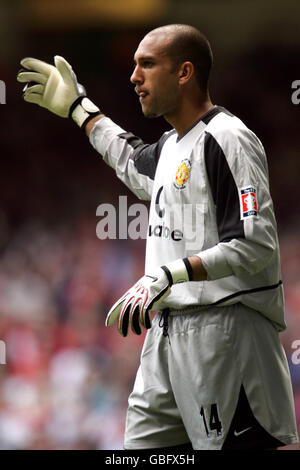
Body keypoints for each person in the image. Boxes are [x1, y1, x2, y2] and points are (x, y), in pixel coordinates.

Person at [17, 24, 299, 451]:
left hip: (225, 332)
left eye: (146, 64)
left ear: (185, 72)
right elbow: (129, 157)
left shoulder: (229, 138)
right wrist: (79, 108)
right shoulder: (170, 147)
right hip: (166, 334)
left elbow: (255, 243)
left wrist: (170, 274)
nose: (134, 76)